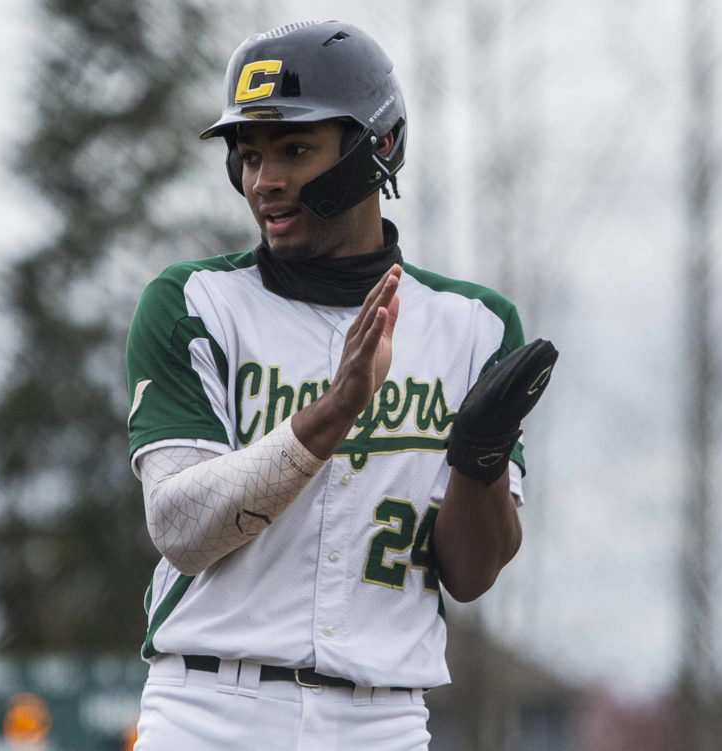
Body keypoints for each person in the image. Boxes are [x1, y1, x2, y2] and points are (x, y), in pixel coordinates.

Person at [125, 19, 558, 751]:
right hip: (208, 710)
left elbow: (471, 572)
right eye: (251, 154)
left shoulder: (475, 326)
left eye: (295, 148)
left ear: (376, 148)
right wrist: (331, 414)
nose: (266, 180)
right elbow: (180, 528)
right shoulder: (193, 301)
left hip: (381, 719)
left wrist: (479, 457)